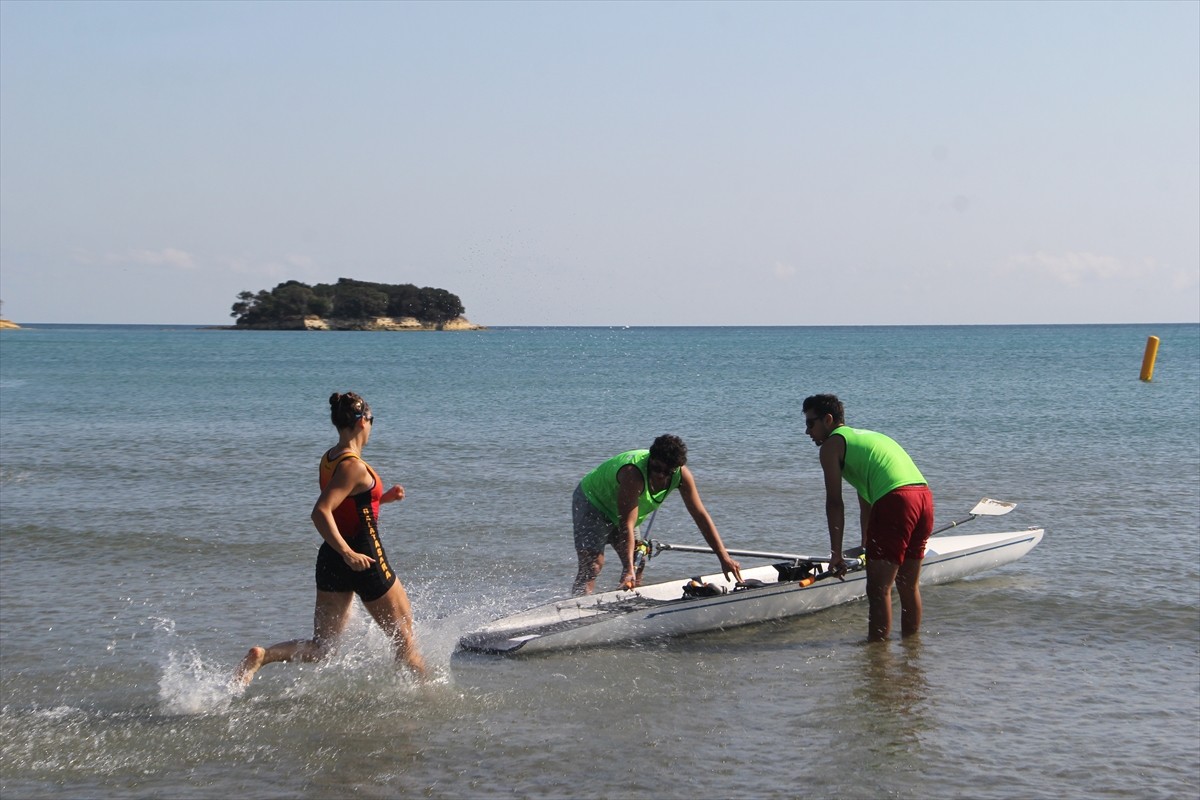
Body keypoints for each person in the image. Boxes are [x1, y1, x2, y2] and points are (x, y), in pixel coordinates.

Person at [234, 392, 427, 685]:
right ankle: (429, 699)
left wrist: (383, 498)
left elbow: (347, 504)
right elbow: (321, 511)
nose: (372, 427)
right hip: (364, 559)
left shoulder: (330, 458)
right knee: (405, 641)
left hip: (331, 559)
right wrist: (349, 553)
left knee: (323, 648)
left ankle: (265, 656)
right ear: (362, 422)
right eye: (372, 420)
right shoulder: (354, 466)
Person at [802, 394, 934, 642]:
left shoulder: (832, 445)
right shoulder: (866, 440)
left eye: (810, 423)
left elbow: (834, 503)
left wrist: (836, 554)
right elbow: (868, 503)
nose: (807, 431)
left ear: (828, 420)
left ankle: (877, 658)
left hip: (896, 501)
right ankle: (912, 653)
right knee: (908, 585)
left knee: (878, 589)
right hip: (923, 497)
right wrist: (867, 547)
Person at [571, 434, 742, 595]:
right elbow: (626, 524)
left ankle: (629, 602)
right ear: (650, 459)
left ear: (676, 468)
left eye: (667, 472)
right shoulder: (632, 473)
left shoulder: (682, 476)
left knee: (638, 561)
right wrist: (628, 568)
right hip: (593, 502)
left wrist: (724, 558)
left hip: (622, 511)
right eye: (656, 468)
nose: (660, 475)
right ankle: (577, 606)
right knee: (592, 566)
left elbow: (700, 515)